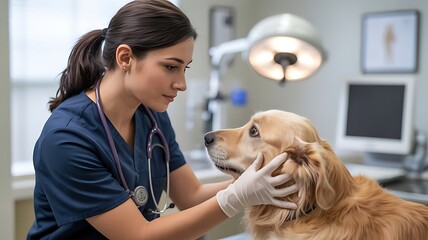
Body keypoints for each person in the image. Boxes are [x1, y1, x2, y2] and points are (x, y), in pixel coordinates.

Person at [27, 0, 298, 239]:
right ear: (125, 58)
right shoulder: (66, 139)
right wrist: (239, 195)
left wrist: (254, 182)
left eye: (184, 68)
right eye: (171, 67)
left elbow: (190, 196)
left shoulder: (151, 115)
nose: (182, 84)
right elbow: (138, 235)